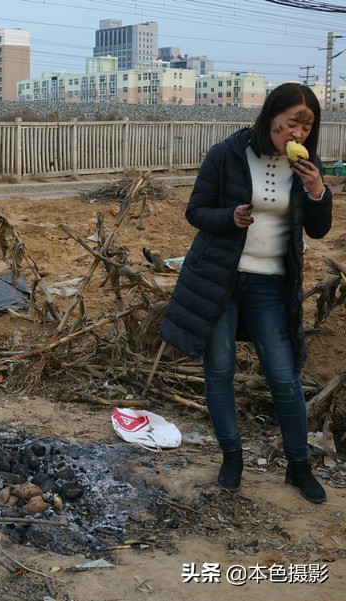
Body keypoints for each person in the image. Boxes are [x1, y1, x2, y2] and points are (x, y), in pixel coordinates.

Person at [160, 83, 333, 503]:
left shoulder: (308, 166)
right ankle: (232, 458)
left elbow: (319, 229)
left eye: (306, 127)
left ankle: (298, 466)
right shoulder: (227, 154)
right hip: (220, 278)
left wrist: (317, 191)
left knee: (285, 378)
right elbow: (195, 211)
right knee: (220, 372)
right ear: (270, 116)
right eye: (292, 122)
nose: (298, 134)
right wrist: (230, 216)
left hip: (270, 284)